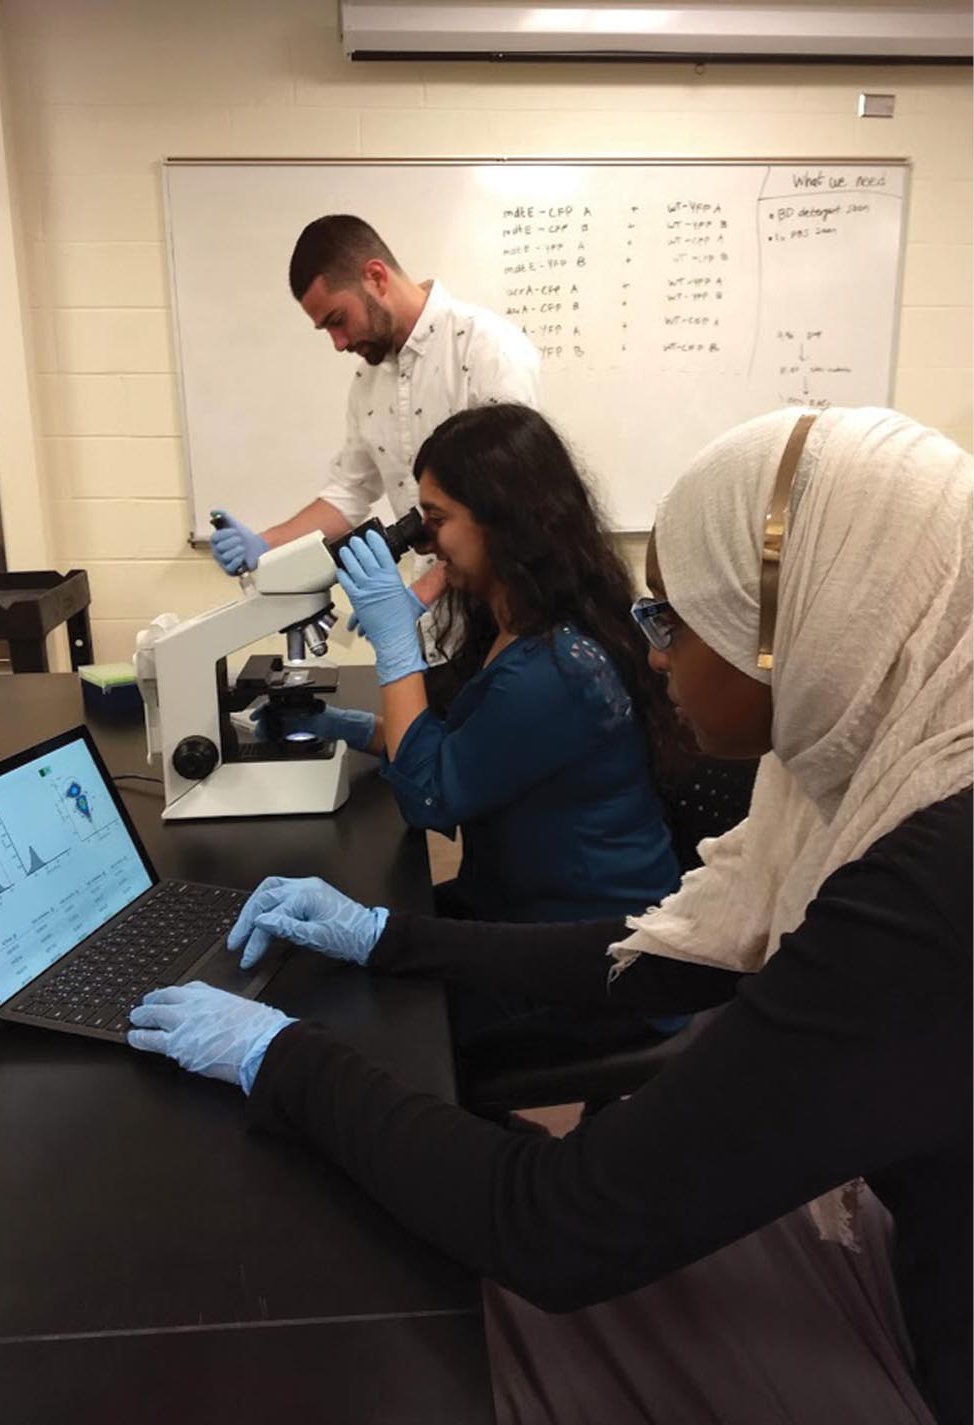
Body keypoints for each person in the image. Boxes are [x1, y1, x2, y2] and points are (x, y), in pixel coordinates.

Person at [128, 407, 972, 1425]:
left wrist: (281, 1054)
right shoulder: (869, 771)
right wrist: (382, 936)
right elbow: (656, 958)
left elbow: (557, 1229)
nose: (652, 658)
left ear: (802, 624)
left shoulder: (930, 887)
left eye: (673, 620)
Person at [260, 403, 682, 935]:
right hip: (525, 905)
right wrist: (353, 729)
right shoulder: (518, 622)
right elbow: (460, 742)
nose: (424, 540)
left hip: (587, 949)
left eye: (436, 520)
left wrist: (395, 645)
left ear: (505, 521)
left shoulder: (555, 669)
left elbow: (428, 798)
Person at [208, 214, 540, 613]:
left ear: (376, 278)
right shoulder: (368, 384)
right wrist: (265, 544)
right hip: (437, 627)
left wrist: (423, 593)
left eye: (338, 320)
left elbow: (508, 499)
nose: (338, 343)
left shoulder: (487, 348)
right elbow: (348, 493)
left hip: (505, 615)